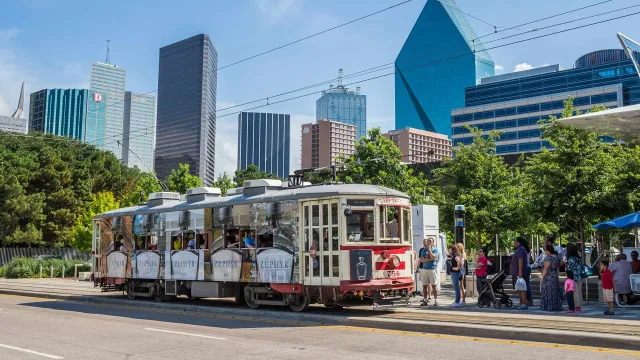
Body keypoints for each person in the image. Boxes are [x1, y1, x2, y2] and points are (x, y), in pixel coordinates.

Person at [540, 245, 563, 312]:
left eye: (545, 250)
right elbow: (558, 266)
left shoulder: (548, 258)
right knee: (555, 291)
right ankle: (556, 306)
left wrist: (542, 277)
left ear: (548, 250)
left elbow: (546, 269)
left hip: (548, 277)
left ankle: (548, 306)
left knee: (548, 291)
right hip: (554, 276)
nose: (545, 252)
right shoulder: (556, 257)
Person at [510, 237, 531, 310]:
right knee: (520, 288)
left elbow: (520, 261)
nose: (514, 243)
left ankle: (523, 303)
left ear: (518, 242)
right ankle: (521, 302)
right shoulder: (519, 249)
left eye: (515, 241)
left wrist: (520, 272)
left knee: (522, 288)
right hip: (517, 273)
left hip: (520, 273)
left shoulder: (521, 249)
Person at [418, 238, 439, 306]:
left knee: (434, 285)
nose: (428, 242)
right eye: (428, 241)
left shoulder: (435, 250)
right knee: (424, 286)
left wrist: (430, 251)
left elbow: (434, 257)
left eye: (430, 241)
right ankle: (425, 300)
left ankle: (436, 300)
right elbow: (421, 260)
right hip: (424, 269)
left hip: (432, 269)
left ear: (433, 243)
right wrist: (430, 259)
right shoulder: (423, 250)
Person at [565, 243, 585, 312]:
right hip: (580, 276)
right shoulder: (578, 258)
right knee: (579, 291)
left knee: (575, 292)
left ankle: (577, 306)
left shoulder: (570, 259)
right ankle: (579, 305)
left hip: (573, 277)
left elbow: (569, 269)